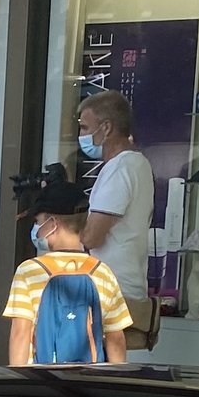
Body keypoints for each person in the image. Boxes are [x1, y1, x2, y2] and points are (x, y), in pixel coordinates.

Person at [3, 164, 130, 365]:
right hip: (89, 384)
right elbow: (116, 339)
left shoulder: (29, 272)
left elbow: (21, 334)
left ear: (53, 224)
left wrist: (19, 387)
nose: (36, 228)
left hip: (43, 384)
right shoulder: (103, 272)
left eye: (38, 221)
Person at [77, 90, 156, 347]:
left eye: (85, 127)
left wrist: (66, 232)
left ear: (107, 128)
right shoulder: (137, 164)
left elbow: (92, 237)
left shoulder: (120, 168)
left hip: (110, 291)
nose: (81, 136)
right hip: (122, 288)